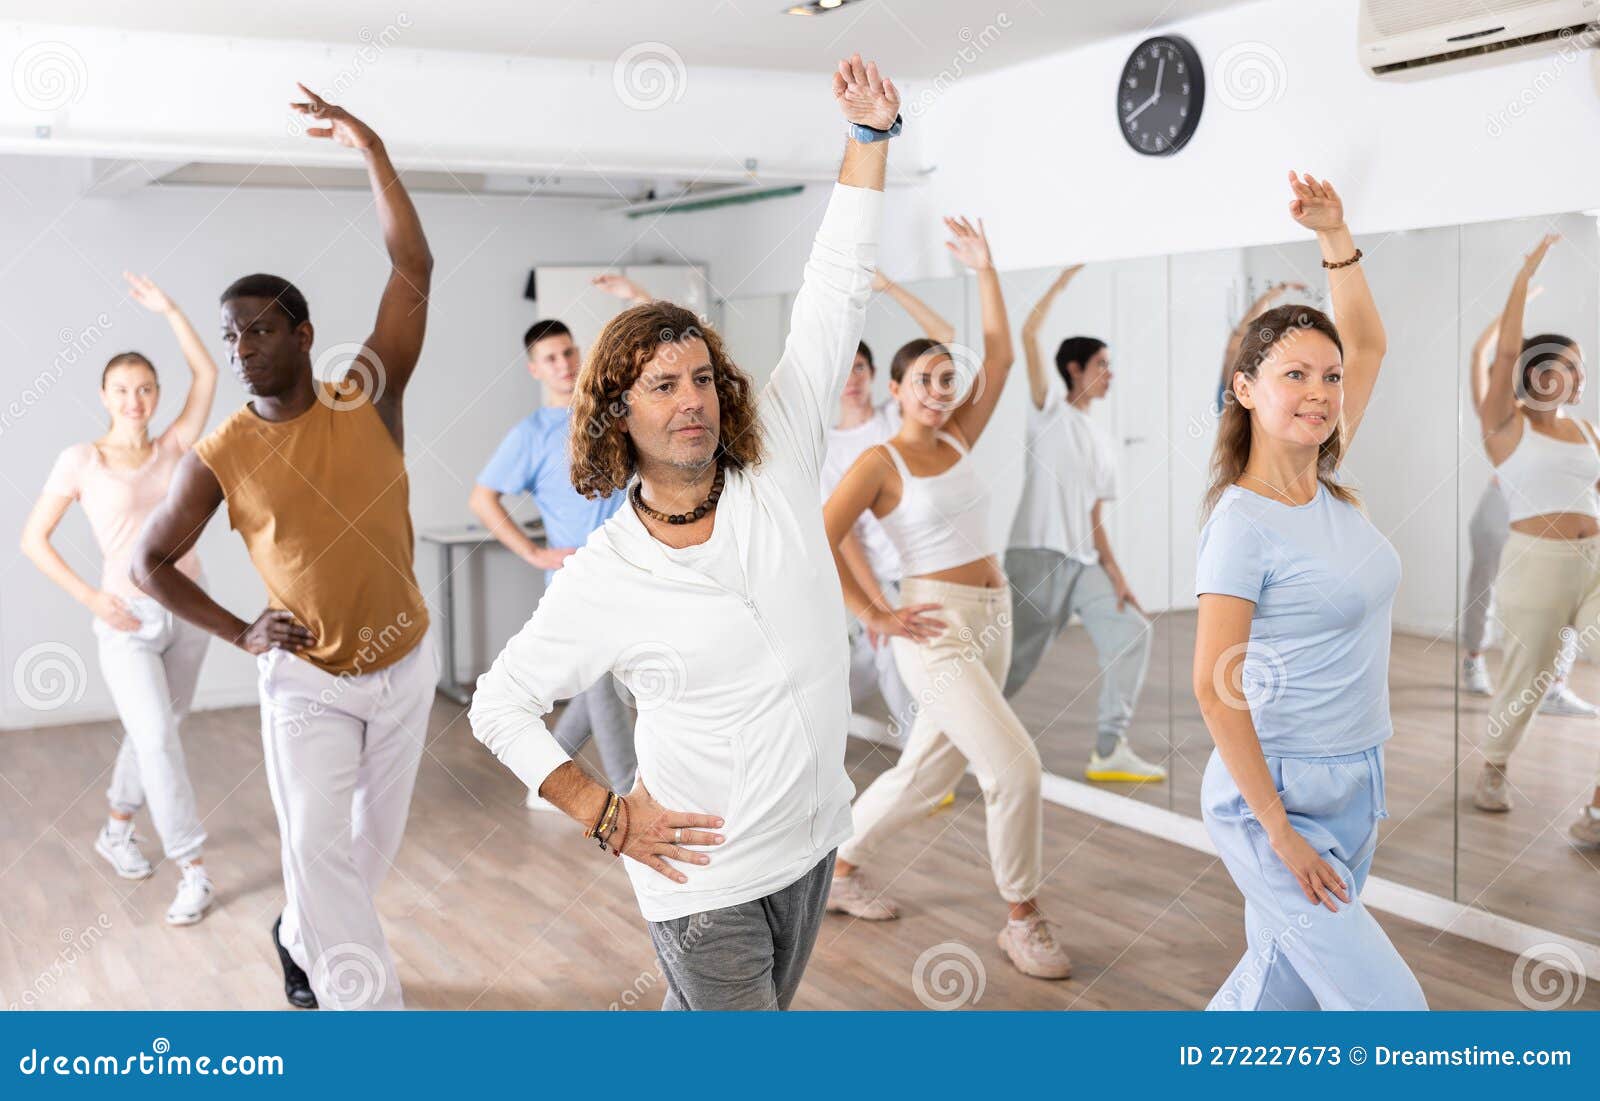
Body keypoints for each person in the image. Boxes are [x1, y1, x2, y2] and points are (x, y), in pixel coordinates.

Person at [469, 53, 899, 1011]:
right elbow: (497, 704)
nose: (692, 399)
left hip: (812, 837)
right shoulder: (606, 571)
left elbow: (834, 293)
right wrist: (604, 813)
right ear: (617, 412)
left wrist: (867, 142)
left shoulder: (778, 458)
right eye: (663, 385)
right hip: (699, 876)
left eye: (702, 377)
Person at [132, 85, 436, 1011]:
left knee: (363, 853)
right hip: (307, 679)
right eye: (231, 335)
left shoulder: (366, 396)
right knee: (314, 846)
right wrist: (238, 631)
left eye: (259, 328)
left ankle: (298, 936)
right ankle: (364, 1017)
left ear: (303, 333)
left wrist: (371, 147)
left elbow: (414, 268)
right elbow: (148, 561)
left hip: (405, 661)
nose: (243, 347)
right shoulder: (221, 451)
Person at [1192, 171, 1426, 1011]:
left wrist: (1335, 236)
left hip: (1358, 774)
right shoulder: (1241, 525)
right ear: (1246, 389)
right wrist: (1279, 832)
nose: (1322, 393)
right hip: (1277, 791)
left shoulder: (1323, 480)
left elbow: (1366, 344)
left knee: (1284, 992)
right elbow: (1214, 690)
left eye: (1328, 379)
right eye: (1296, 375)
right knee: (1392, 1010)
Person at [820, 216, 1074, 980]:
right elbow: (820, 538)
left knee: (929, 771)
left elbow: (998, 353)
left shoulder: (960, 435)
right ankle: (1022, 917)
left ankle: (836, 865)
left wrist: (987, 268)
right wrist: (873, 613)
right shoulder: (879, 459)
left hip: (991, 618)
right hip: (929, 623)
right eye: (923, 379)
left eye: (944, 378)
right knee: (1014, 767)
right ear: (894, 391)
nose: (939, 389)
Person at [21, 273, 220, 926]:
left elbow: (207, 372)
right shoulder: (82, 459)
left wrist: (171, 308)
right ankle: (193, 867)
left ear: (156, 395)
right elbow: (33, 539)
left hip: (189, 608)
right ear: (104, 395)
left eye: (144, 388)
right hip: (126, 616)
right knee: (157, 736)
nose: (134, 398)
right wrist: (90, 599)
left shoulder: (173, 446)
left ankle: (116, 827)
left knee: (158, 730)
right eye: (122, 388)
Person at [469, 281, 652, 810]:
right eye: (550, 357)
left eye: (569, 351)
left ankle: (543, 776)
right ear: (535, 369)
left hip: (634, 569)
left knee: (610, 682)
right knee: (602, 685)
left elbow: (654, 342)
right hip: (577, 580)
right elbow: (483, 499)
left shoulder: (612, 407)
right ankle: (627, 792)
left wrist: (634, 294)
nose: (564, 363)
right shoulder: (530, 434)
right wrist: (532, 554)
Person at [1002, 263, 1167, 783]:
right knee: (1009, 668)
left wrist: (1116, 573)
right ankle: (943, 748)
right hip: (1036, 560)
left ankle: (1108, 748)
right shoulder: (1047, 410)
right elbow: (1028, 332)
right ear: (1075, 368)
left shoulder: (1104, 442)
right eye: (1102, 364)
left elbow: (1095, 516)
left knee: (1133, 631)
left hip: (1083, 563)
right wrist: (1062, 282)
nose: (1110, 373)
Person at [1470, 234, 1600, 841]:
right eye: (1564, 364)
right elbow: (1497, 356)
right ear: (1535, 371)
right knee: (1528, 678)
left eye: (1581, 365)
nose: (1575, 374)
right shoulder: (1504, 422)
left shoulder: (1590, 431)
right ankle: (1493, 768)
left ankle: (1597, 805)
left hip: (1594, 560)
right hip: (1536, 563)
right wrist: (1522, 278)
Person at [824, 274, 956, 748]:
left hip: (928, 567)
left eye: (860, 367)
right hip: (882, 578)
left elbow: (946, 341)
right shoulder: (829, 453)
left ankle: (814, 715)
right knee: (889, 655)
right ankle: (918, 757)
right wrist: (876, 604)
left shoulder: (893, 417)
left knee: (870, 662)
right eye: (843, 371)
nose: (852, 379)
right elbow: (843, 536)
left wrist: (891, 288)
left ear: (876, 375)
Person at [1460, 293, 1594, 716]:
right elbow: (1482, 354)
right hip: (1501, 508)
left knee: (1567, 592)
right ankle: (1474, 659)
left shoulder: (1572, 428)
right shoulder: (1505, 414)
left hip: (1559, 520)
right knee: (1485, 583)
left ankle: (1555, 684)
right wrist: (1509, 312)